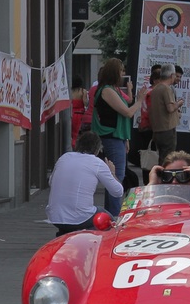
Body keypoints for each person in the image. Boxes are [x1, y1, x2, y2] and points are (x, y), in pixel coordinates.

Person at [92, 58, 148, 215]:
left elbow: (126, 104)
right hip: (111, 136)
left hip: (117, 136)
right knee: (117, 177)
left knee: (115, 176)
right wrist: (140, 100)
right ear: (114, 72)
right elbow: (128, 112)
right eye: (121, 70)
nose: (123, 73)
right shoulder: (107, 90)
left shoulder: (112, 89)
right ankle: (114, 215)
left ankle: (111, 213)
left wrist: (126, 138)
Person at [46, 131, 124, 237]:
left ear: (77, 145)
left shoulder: (64, 157)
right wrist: (112, 173)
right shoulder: (97, 163)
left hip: (55, 217)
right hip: (80, 218)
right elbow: (118, 192)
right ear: (97, 150)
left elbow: (51, 182)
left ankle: (65, 234)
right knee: (107, 217)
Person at [149, 63, 183, 168]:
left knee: (162, 157)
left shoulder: (155, 89)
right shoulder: (166, 89)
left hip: (157, 129)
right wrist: (179, 103)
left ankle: (161, 178)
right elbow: (170, 108)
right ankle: (165, 180)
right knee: (168, 159)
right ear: (171, 75)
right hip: (167, 129)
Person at [69, 75, 89, 149]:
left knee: (71, 132)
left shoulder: (70, 91)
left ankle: (72, 144)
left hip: (72, 113)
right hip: (80, 114)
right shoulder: (83, 91)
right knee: (78, 133)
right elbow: (85, 103)